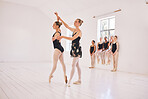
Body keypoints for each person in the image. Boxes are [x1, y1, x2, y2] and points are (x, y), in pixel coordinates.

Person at [55, 12, 83, 87]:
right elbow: (67, 26)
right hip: (73, 48)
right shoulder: (74, 30)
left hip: (77, 49)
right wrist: (59, 18)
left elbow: (72, 38)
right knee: (77, 65)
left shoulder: (79, 32)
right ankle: (79, 80)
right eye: (75, 21)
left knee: (73, 64)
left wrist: (62, 37)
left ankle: (69, 81)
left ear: (79, 24)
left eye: (77, 21)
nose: (75, 22)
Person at [49, 15, 67, 84]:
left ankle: (50, 75)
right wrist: (57, 17)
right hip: (61, 49)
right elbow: (58, 24)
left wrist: (56, 38)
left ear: (56, 26)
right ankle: (65, 74)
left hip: (57, 49)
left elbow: (57, 37)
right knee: (63, 63)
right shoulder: (59, 30)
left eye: (53, 25)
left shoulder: (57, 33)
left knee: (54, 65)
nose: (52, 26)